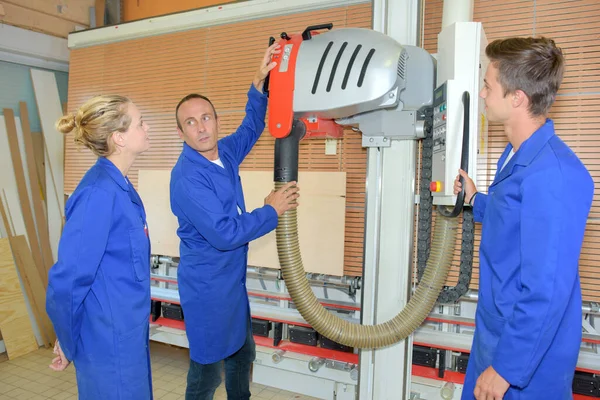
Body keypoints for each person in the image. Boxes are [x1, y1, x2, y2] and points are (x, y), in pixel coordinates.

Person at [454, 37, 594, 399]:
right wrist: (475, 198)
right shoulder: (516, 156)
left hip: (527, 359)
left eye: (488, 86)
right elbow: (515, 217)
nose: (482, 94)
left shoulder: (556, 175)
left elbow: (546, 290)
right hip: (497, 333)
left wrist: (505, 369)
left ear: (517, 97)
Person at [170, 43, 300, 400]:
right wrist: (271, 210)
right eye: (191, 122)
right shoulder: (187, 179)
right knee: (207, 371)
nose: (201, 128)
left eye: (206, 117)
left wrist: (258, 84)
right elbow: (225, 233)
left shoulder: (223, 153)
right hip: (208, 289)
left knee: (243, 355)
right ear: (182, 132)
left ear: (215, 119)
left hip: (231, 283)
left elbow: (251, 127)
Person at [46, 95, 153, 399]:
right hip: (108, 342)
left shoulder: (120, 186)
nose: (148, 128)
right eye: (141, 122)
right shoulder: (98, 194)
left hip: (128, 336)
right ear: (119, 138)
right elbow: (68, 280)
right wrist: (67, 340)